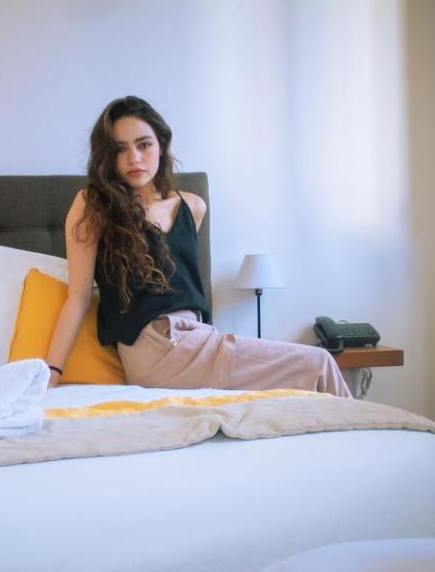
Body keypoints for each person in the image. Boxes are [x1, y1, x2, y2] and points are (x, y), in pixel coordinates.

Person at [44, 95, 351, 397]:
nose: (134, 158)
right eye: (119, 149)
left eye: (144, 145)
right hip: (155, 348)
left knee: (308, 378)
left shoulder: (192, 207)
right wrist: (52, 372)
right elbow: (78, 298)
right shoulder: (93, 205)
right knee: (319, 363)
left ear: (161, 145)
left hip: (198, 338)